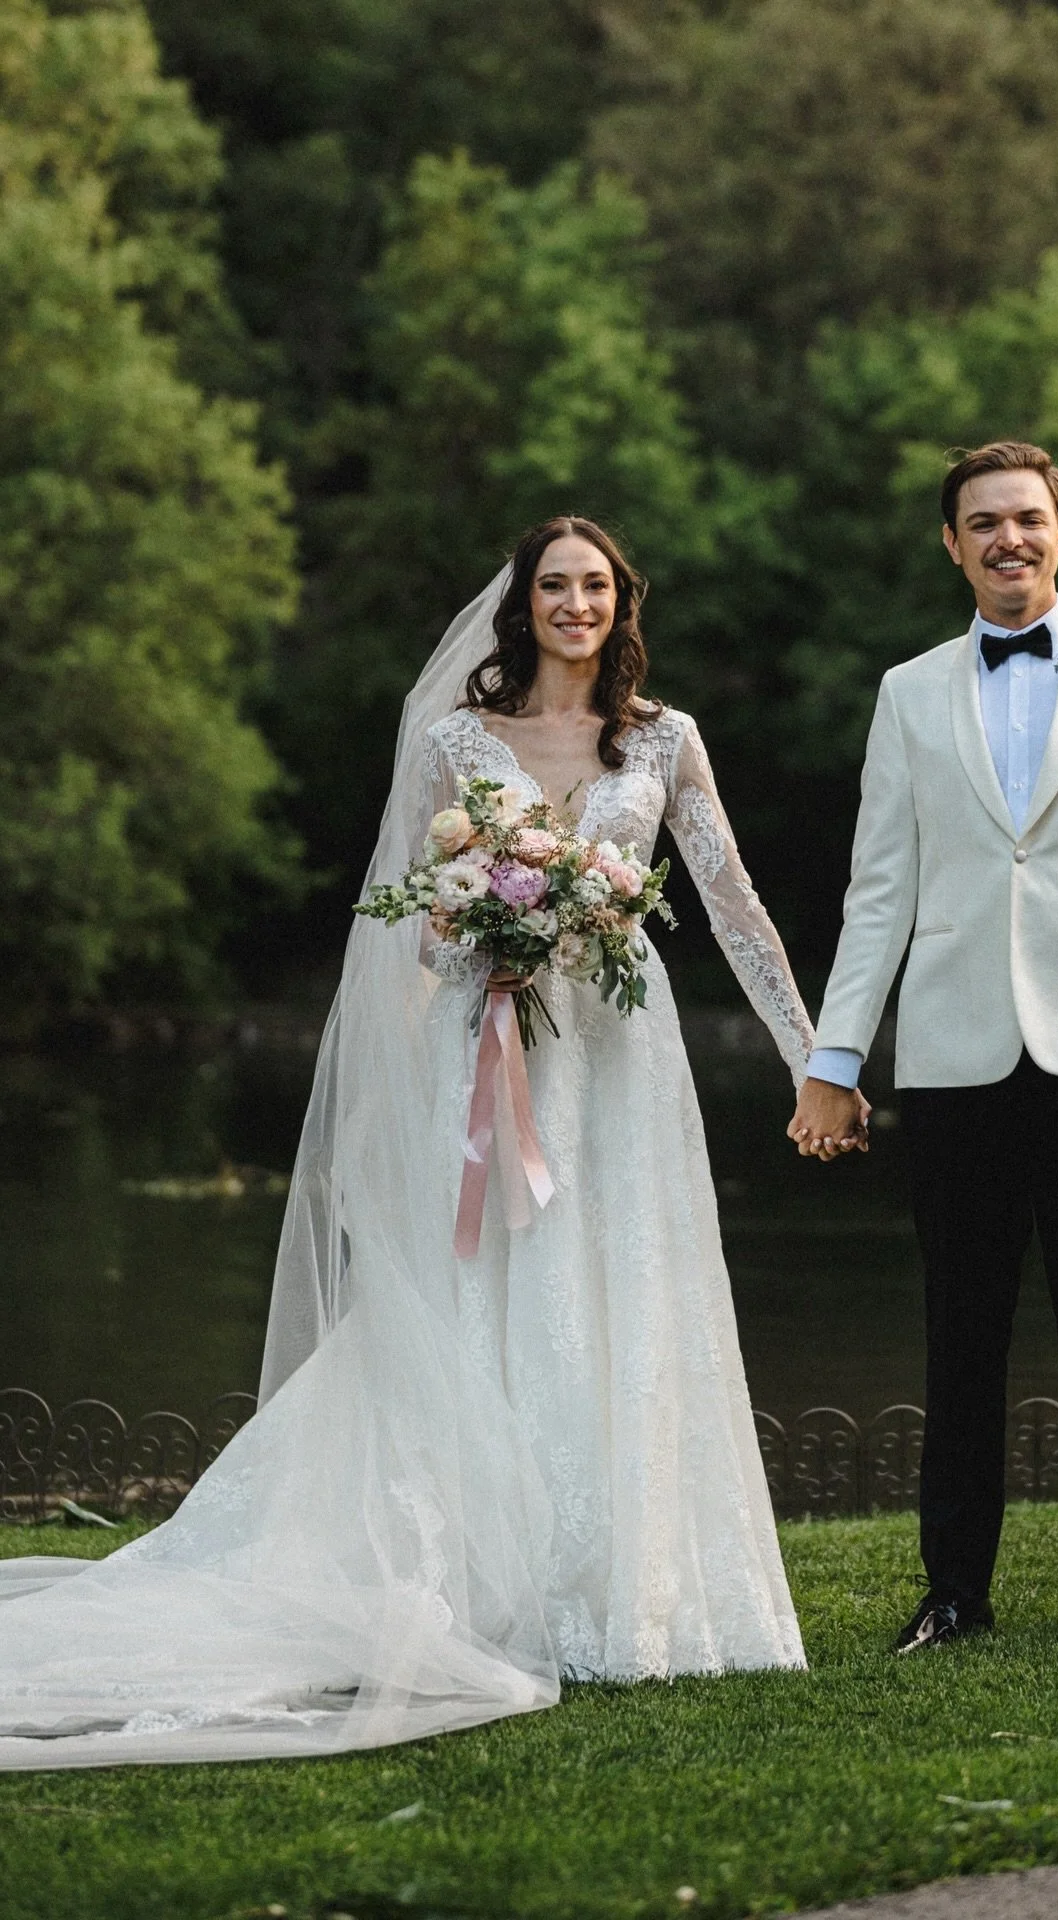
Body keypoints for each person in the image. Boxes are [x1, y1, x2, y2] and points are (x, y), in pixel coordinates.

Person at [0, 516, 808, 1770]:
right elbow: (410, 930)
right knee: (472, 1294)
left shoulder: (666, 741)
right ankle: (478, 1583)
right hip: (476, 1064)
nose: (576, 604)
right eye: (555, 586)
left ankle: (625, 1594)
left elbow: (734, 903)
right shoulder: (453, 741)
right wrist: (480, 938)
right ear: (523, 605)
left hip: (615, 1065)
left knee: (624, 1293)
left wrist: (819, 1059)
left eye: (595, 586)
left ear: (621, 602)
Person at [789, 443, 1058, 1654]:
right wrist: (837, 1058)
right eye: (984, 523)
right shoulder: (908, 692)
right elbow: (880, 894)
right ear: (952, 543)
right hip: (958, 1058)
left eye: (1028, 519)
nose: (1007, 539)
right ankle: (955, 1595)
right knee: (960, 1339)